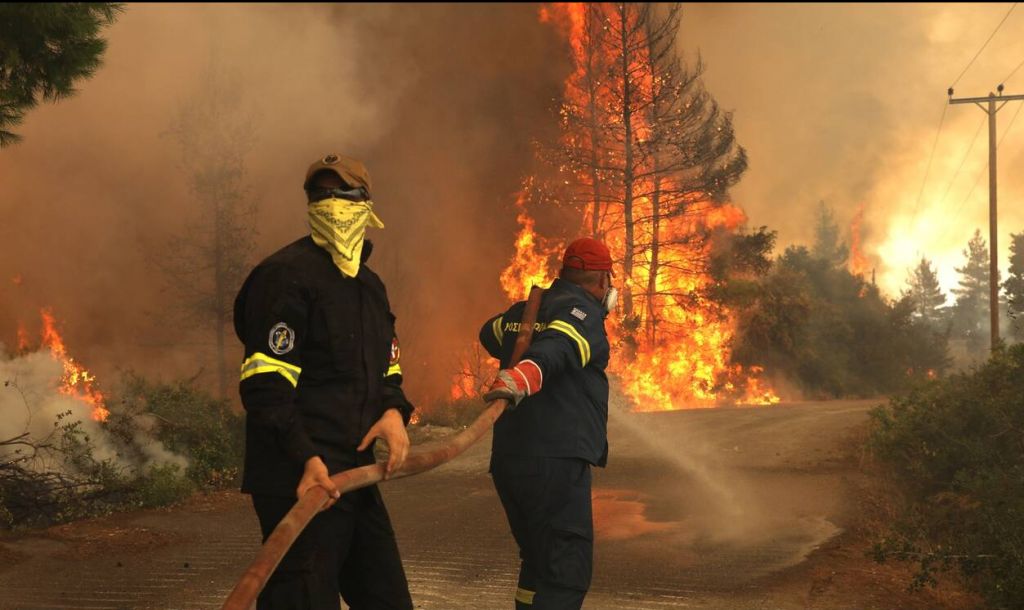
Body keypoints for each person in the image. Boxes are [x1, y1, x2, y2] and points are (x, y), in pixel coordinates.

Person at [233, 153, 415, 610]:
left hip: (352, 474)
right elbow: (265, 385)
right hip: (298, 476)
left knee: (387, 597)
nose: (331, 203)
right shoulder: (286, 277)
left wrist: (394, 413)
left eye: (343, 194)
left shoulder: (369, 287)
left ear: (366, 204)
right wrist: (305, 458)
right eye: (320, 195)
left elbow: (388, 370)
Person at [478, 237, 616, 610]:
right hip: (554, 460)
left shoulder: (524, 311)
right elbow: (559, 346)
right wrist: (528, 373)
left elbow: (488, 332)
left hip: (510, 461)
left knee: (538, 561)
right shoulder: (583, 313)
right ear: (603, 280)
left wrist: (522, 332)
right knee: (566, 573)